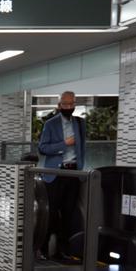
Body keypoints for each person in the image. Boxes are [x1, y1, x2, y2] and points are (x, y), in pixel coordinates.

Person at [38, 91, 86, 258]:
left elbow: (82, 148)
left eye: (71, 104)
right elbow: (42, 148)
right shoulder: (50, 124)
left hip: (72, 173)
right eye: (65, 104)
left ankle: (63, 251)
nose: (69, 107)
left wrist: (81, 168)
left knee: (69, 213)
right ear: (59, 105)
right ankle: (43, 249)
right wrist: (64, 144)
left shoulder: (80, 124)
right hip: (54, 174)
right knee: (51, 213)